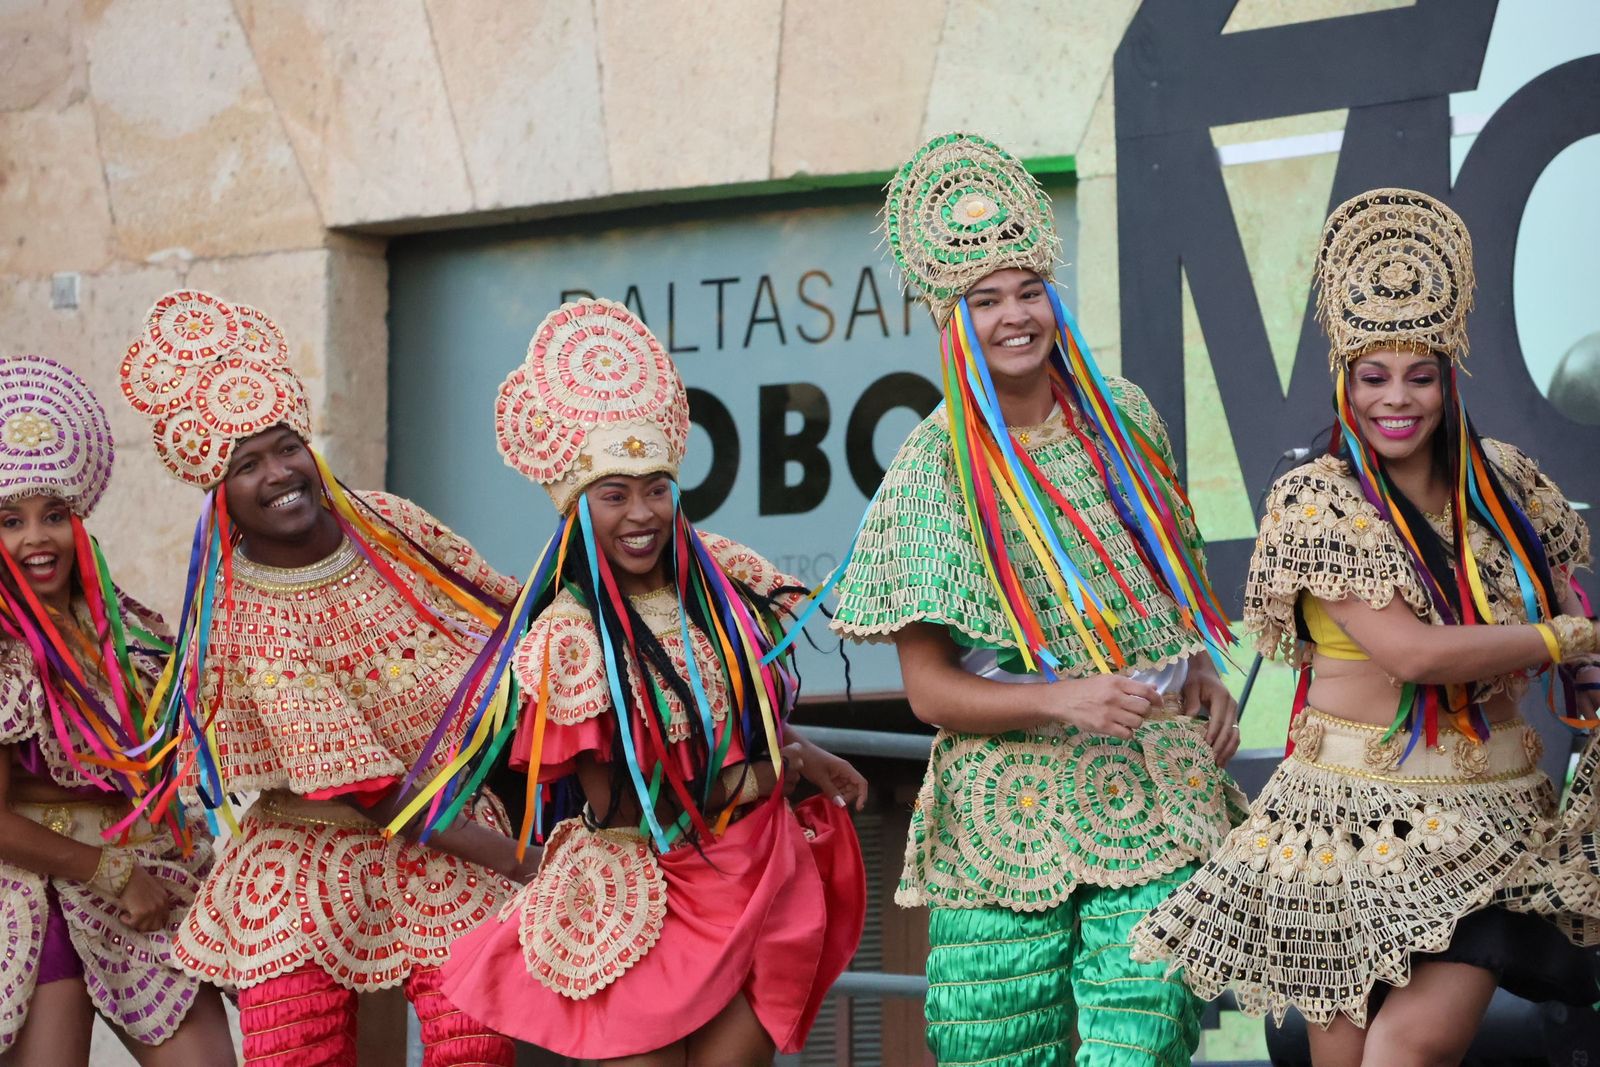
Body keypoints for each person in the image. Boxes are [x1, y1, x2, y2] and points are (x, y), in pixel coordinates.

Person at [1130, 188, 1600, 1066]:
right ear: (1344, 377)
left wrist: (1579, 650)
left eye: (1419, 375)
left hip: (1486, 829)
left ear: (1449, 376)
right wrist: (1564, 642)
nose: (1397, 399)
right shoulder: (1319, 498)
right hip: (1338, 829)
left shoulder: (1504, 483)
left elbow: (1561, 581)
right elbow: (1411, 653)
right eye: (1373, 376)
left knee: (1407, 1048)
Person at [823, 132, 1245, 1066]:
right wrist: (1065, 698)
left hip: (1153, 787)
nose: (1015, 315)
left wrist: (1202, 669)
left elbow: (1163, 586)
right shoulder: (929, 470)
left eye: (1029, 290)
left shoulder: (1126, 418)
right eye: (986, 299)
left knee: (1144, 1039)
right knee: (995, 1048)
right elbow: (929, 691)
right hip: (1002, 812)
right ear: (951, 319)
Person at [438, 297, 867, 1066]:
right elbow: (626, 807)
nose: (641, 512)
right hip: (643, 893)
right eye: (614, 493)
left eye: (656, 487)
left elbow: (733, 707)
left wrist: (796, 744)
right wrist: (780, 768)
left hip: (751, 872)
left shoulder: (720, 579)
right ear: (578, 507)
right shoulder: (572, 638)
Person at [116, 289, 533, 1067]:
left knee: (475, 1042)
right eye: (247, 464)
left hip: (450, 834)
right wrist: (518, 858)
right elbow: (367, 789)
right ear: (218, 492)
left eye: (288, 447)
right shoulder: (241, 612)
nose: (280, 472)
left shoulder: (388, 522)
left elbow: (506, 611)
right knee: (295, 1046)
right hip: (308, 854)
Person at [0, 354, 233, 1066]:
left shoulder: (127, 630)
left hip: (150, 882)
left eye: (54, 515)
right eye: (10, 521)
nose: (37, 538)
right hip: (33, 896)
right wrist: (109, 872)